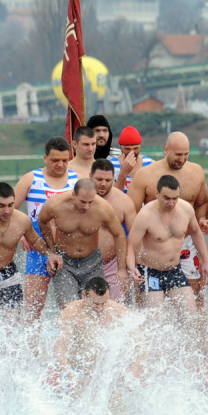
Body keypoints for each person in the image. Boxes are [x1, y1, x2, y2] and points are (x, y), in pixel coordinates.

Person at [128, 132, 208, 335]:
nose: (182, 159)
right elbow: (129, 219)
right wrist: (132, 266)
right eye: (178, 154)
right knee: (154, 316)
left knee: (191, 308)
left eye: (186, 154)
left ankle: (193, 348)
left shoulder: (193, 182)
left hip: (179, 253)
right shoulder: (146, 181)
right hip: (151, 256)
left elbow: (199, 217)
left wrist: (207, 261)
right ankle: (146, 352)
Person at [14, 136, 79, 327]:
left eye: (64, 160)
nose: (60, 164)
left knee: (69, 310)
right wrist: (22, 233)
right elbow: (9, 211)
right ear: (45, 158)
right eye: (55, 160)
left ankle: (68, 353)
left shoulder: (77, 180)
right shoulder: (31, 178)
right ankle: (33, 354)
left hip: (68, 250)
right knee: (33, 310)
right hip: (37, 249)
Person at [38, 178, 127, 309]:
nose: (86, 207)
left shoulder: (103, 208)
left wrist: (121, 268)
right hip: (64, 262)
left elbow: (119, 235)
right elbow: (42, 221)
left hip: (92, 262)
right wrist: (51, 251)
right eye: (83, 202)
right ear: (74, 194)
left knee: (96, 305)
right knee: (68, 307)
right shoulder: (55, 205)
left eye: (90, 202)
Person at [0, 182, 61, 330]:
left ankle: (9, 353)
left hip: (7, 273)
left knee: (12, 323)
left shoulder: (21, 220)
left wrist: (50, 254)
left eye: (10, 205)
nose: (7, 210)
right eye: (1, 206)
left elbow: (35, 240)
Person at [53, 277, 130, 397]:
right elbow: (60, 348)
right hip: (78, 371)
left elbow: (141, 344)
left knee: (118, 404)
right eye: (95, 304)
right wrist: (69, 373)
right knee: (77, 395)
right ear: (84, 295)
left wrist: (133, 372)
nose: (100, 308)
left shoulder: (117, 311)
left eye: (103, 303)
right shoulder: (71, 312)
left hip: (105, 371)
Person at [90, 159, 136, 302]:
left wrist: (127, 266)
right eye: (99, 179)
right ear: (90, 176)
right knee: (84, 310)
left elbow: (135, 238)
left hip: (114, 263)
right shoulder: (78, 198)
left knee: (116, 310)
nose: (103, 184)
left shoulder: (124, 202)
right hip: (83, 263)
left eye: (108, 180)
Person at [109, 126, 154, 194]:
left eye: (136, 148)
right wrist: (123, 173)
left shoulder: (150, 164)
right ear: (120, 147)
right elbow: (113, 196)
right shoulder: (111, 165)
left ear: (140, 146)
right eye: (127, 149)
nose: (132, 152)